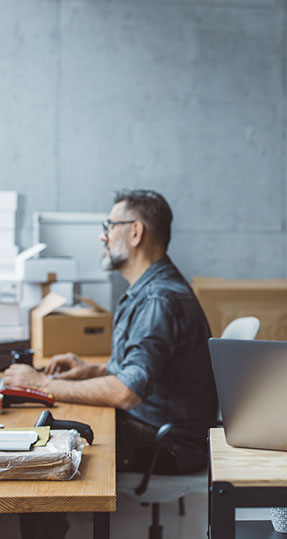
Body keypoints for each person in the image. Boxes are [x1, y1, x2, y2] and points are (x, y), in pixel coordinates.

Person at [5, 189, 218, 538]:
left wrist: (42, 384)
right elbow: (146, 368)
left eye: (110, 225)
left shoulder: (158, 299)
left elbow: (126, 392)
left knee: (47, 447)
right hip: (164, 427)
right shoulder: (152, 289)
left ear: (135, 232)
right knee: (54, 418)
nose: (103, 235)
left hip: (171, 444)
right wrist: (92, 369)